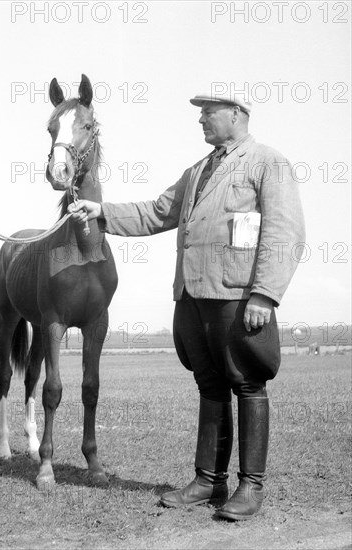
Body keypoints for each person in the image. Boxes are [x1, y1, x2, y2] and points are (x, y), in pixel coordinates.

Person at [68, 92, 305, 520]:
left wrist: (265, 294)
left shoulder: (268, 162)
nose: (200, 120)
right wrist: (101, 212)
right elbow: (157, 213)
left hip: (239, 298)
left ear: (237, 114)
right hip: (193, 297)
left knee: (248, 385)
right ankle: (209, 482)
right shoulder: (198, 171)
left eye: (208, 112)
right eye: (199, 113)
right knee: (210, 388)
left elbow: (285, 232)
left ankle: (250, 487)